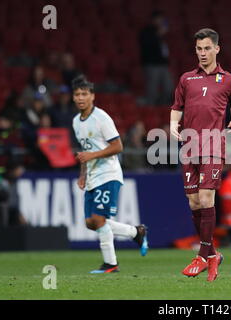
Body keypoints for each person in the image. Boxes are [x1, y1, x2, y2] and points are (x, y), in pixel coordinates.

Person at [170, 28, 231, 281]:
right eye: (199, 49)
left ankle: (202, 255)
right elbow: (177, 106)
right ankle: (213, 255)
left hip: (213, 144)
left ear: (217, 49)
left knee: (206, 196)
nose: (202, 53)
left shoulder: (229, 79)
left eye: (207, 48)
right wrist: (172, 124)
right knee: (194, 202)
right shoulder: (186, 79)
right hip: (189, 145)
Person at [71, 75, 149, 273]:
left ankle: (111, 264)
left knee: (98, 219)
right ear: (73, 97)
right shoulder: (76, 122)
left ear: (92, 96)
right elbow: (84, 151)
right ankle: (135, 232)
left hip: (108, 173)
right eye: (77, 94)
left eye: (84, 94)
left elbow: (118, 146)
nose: (81, 98)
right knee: (90, 223)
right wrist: (83, 174)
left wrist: (93, 156)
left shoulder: (101, 118)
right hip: (92, 175)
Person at [138, 10, 174, 105]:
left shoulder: (163, 34)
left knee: (169, 88)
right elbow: (147, 46)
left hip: (163, 64)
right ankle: (151, 109)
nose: (161, 22)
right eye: (159, 19)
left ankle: (162, 105)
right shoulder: (146, 32)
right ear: (154, 20)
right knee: (152, 90)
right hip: (152, 64)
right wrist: (158, 34)